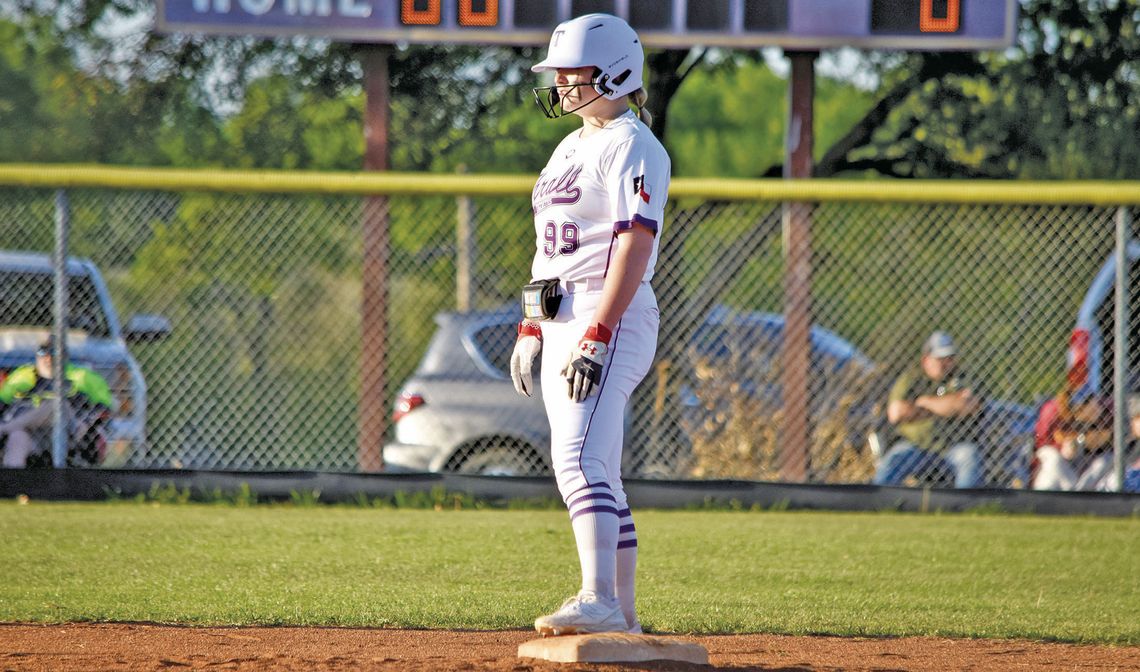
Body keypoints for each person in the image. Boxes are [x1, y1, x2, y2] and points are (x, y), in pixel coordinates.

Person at [509, 13, 670, 637]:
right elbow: (548, 251)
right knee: (595, 463)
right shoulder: (572, 143)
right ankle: (621, 616)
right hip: (561, 313)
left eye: (571, 71)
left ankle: (597, 597)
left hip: (609, 309)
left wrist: (599, 330)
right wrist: (531, 326)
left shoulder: (633, 143)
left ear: (614, 71)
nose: (561, 84)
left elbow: (634, 244)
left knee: (575, 459)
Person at [872, 331, 986, 488]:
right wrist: (948, 405)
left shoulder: (962, 377)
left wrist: (923, 402)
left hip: (952, 448)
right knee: (896, 458)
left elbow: (969, 405)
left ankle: (965, 509)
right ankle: (876, 502)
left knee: (969, 456)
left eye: (950, 358)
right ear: (926, 359)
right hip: (915, 446)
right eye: (940, 359)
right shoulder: (912, 378)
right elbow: (896, 413)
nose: (946, 363)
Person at [0, 336, 113, 468]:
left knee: (56, 406)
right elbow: (2, 403)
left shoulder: (83, 377)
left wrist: (87, 424)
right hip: (33, 433)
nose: (48, 358)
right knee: (17, 437)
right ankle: (13, 485)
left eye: (54, 352)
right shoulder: (23, 377)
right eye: (43, 352)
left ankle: (3, 429)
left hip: (70, 432)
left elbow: (104, 408)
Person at [1031, 386, 1114, 491]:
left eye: (1093, 403)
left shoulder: (1109, 409)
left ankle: (1079, 493)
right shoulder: (1052, 411)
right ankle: (1074, 493)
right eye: (1088, 409)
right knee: (1053, 459)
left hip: (1088, 460)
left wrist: (1099, 440)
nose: (1096, 409)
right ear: (1076, 413)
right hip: (1055, 455)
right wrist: (1061, 447)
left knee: (1107, 460)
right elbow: (1040, 443)